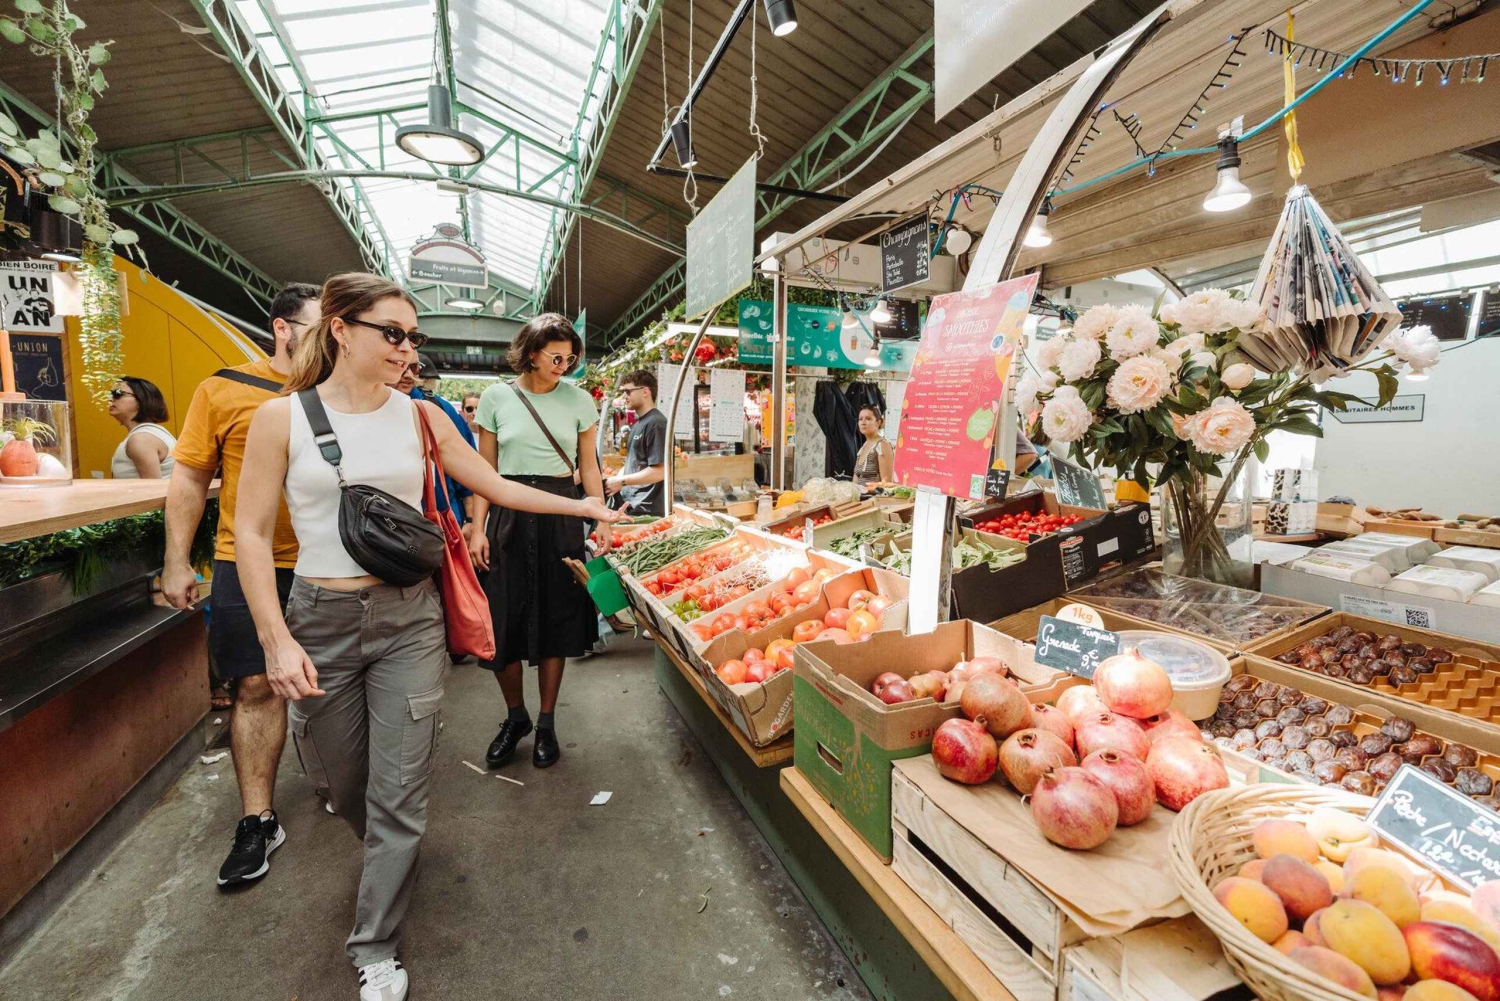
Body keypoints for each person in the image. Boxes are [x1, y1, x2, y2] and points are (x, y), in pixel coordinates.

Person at [234, 274, 618, 1001]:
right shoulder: (280, 419)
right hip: (319, 616)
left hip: (411, 618)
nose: (407, 348)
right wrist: (275, 638)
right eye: (394, 333)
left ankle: (376, 941)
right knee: (345, 784)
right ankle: (387, 846)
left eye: (414, 337)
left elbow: (496, 484)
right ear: (342, 328)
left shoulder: (419, 417)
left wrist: (592, 507)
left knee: (401, 790)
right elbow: (251, 534)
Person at [161, 281, 321, 888]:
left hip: (333, 563)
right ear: (282, 328)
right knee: (255, 685)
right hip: (247, 562)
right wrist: (178, 559)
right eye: (316, 327)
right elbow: (190, 478)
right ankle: (257, 819)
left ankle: (341, 782)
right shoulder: (223, 388)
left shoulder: (350, 391)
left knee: (340, 678)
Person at [469, 314, 610, 770]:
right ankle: (516, 718)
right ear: (531, 351)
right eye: (556, 355)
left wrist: (600, 516)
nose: (563, 364)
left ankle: (547, 722)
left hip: (561, 512)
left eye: (570, 358)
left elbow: (588, 466)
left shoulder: (579, 400)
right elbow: (483, 471)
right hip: (507, 512)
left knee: (557, 619)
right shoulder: (495, 397)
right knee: (502, 620)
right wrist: (477, 527)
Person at [392, 355, 473, 528]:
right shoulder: (364, 408)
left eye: (414, 368)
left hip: (440, 520)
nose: (407, 375)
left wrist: (472, 522)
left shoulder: (439, 408)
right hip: (386, 521)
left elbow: (469, 470)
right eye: (400, 366)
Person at [604, 368, 666, 517]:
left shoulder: (656, 424)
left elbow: (660, 471)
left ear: (645, 391)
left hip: (648, 511)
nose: (624, 396)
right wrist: (615, 479)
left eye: (628, 391)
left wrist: (621, 481)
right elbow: (636, 462)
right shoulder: (639, 424)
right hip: (632, 507)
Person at [108, 376, 177, 478]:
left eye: (118, 394)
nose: (110, 399)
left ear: (141, 399)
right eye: (110, 394)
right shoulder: (152, 433)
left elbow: (153, 490)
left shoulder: (141, 439)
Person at [852, 405, 894, 487]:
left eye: (868, 419)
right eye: (860, 419)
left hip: (872, 498)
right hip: (859, 498)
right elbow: (855, 482)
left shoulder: (882, 445)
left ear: (878, 423)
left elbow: (887, 484)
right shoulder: (864, 446)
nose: (863, 423)